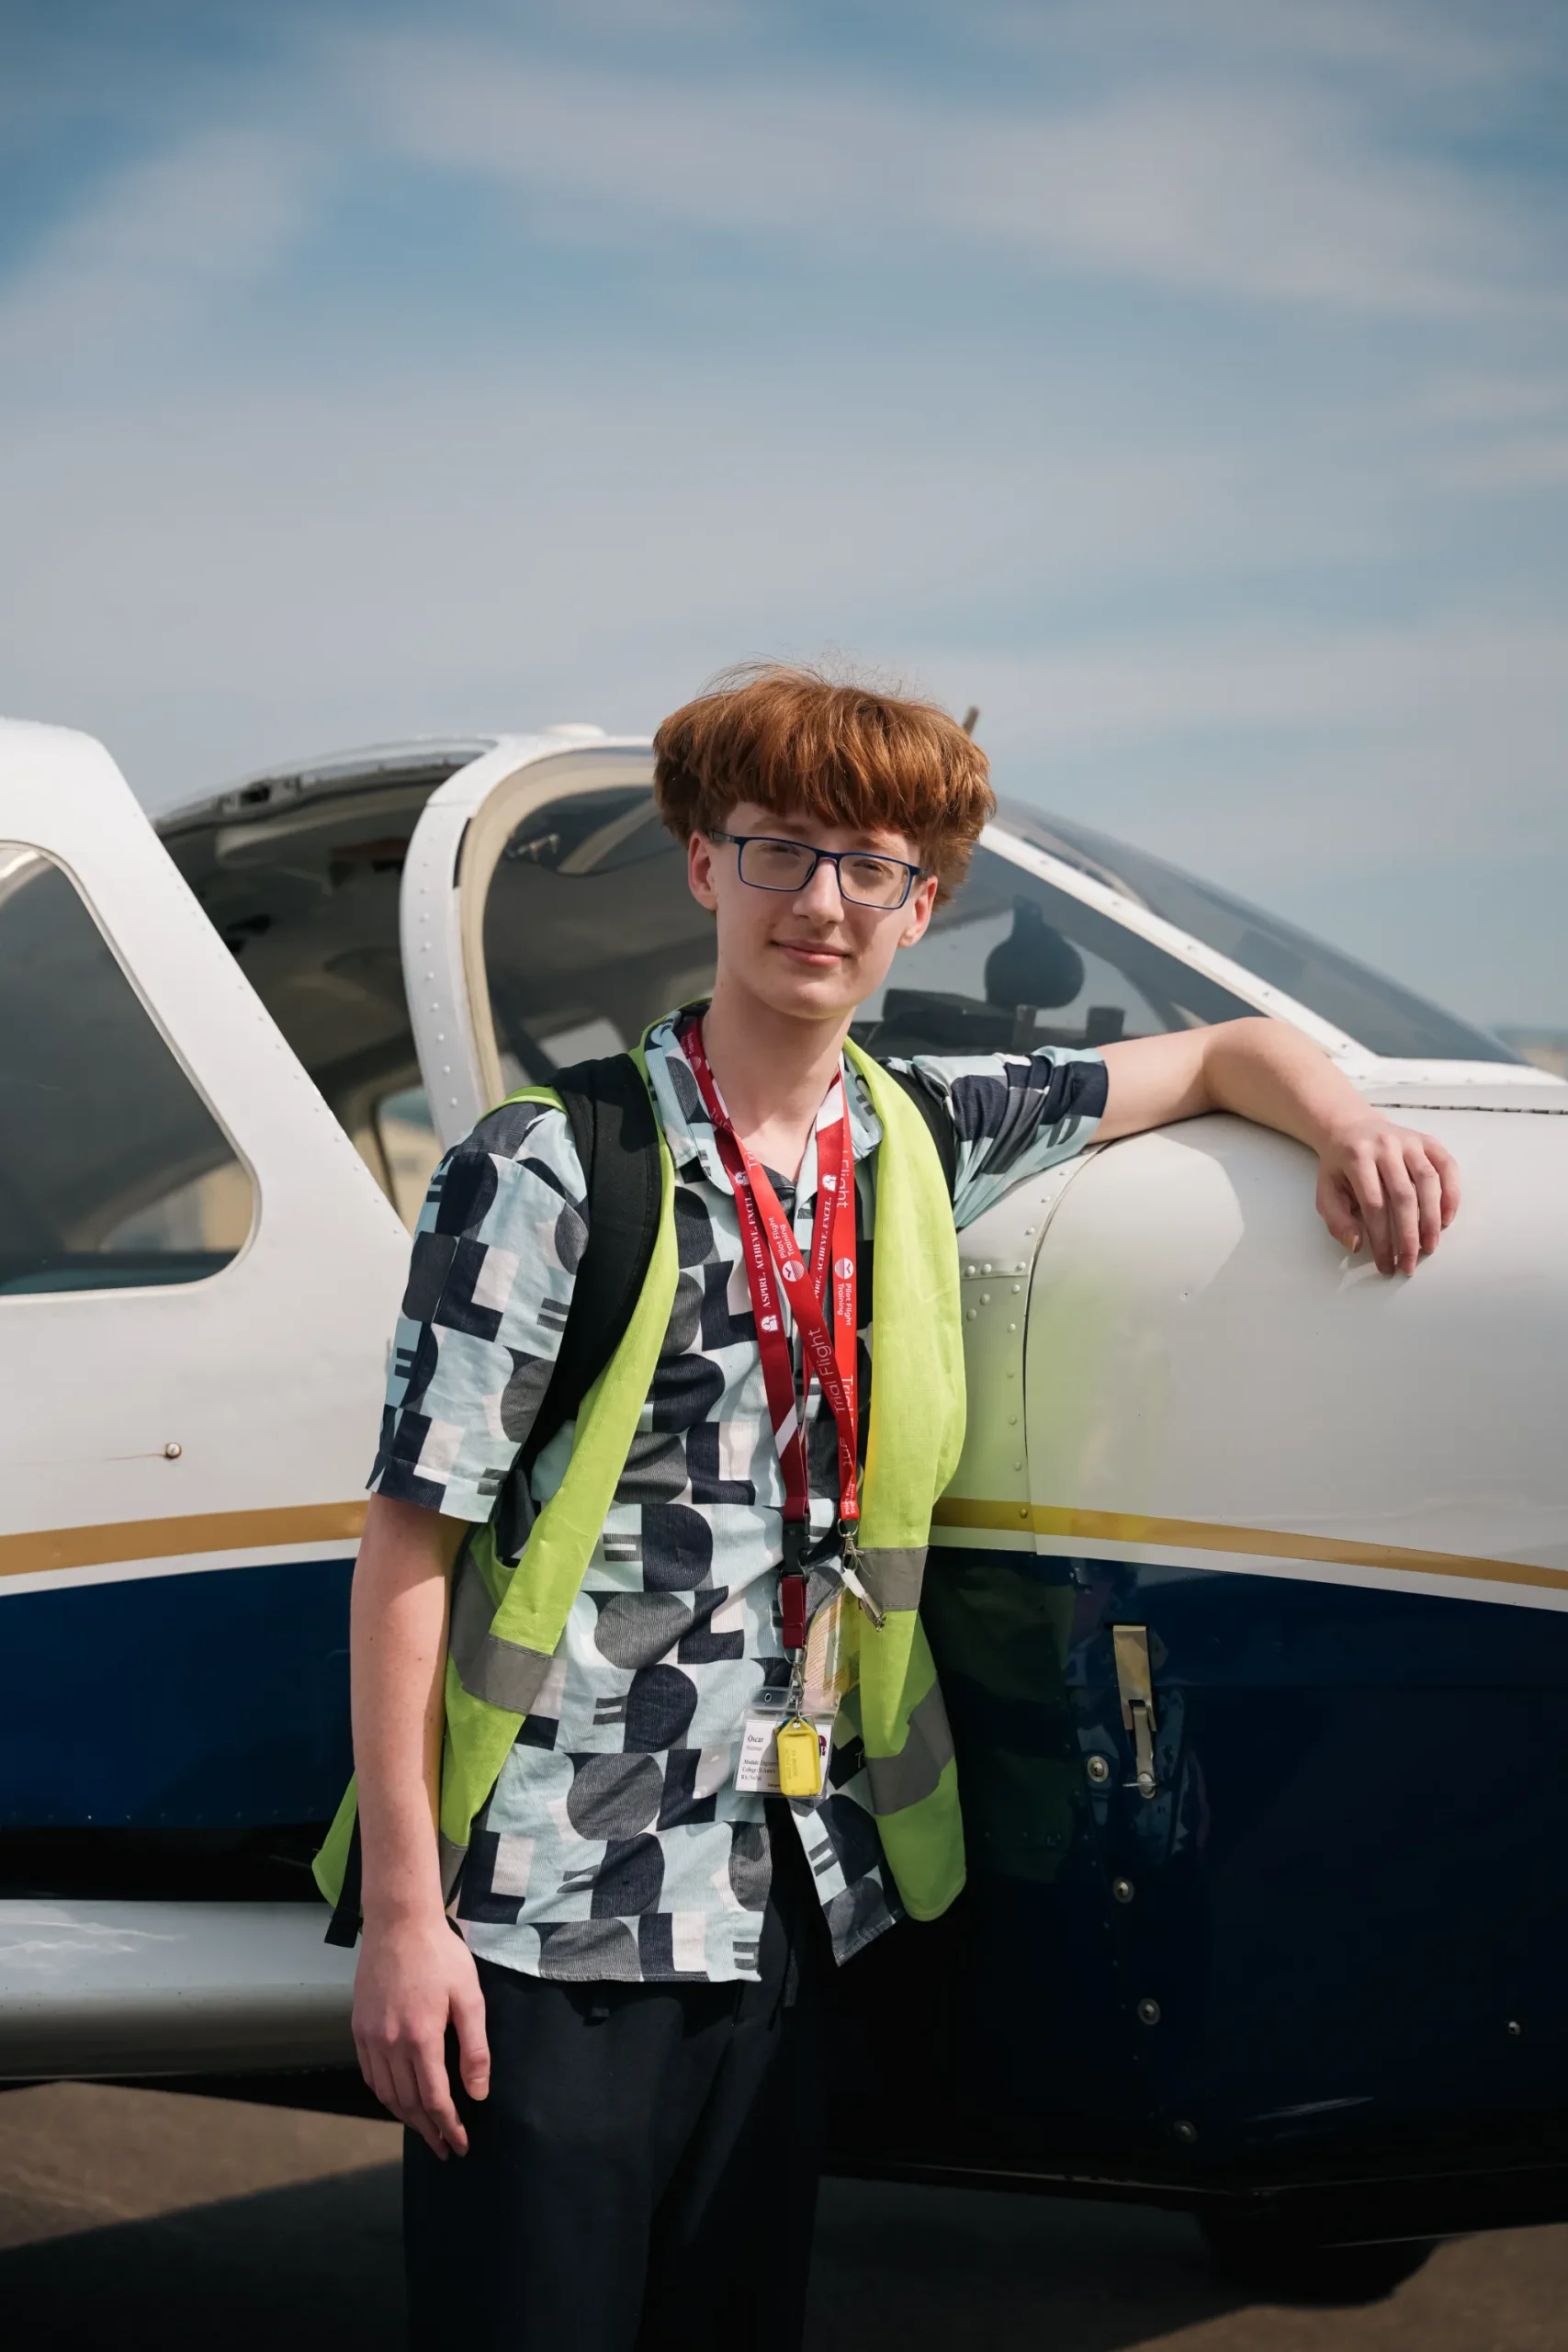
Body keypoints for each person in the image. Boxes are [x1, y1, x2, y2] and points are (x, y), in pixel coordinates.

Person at [342, 667, 1460, 2350]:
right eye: (779, 850)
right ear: (704, 865)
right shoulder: (549, 1165)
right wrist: (407, 1924)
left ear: (920, 907)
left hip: (786, 1894)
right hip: (553, 1907)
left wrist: (1348, 1125)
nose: (822, 901)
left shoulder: (921, 1137)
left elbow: (1227, 1052)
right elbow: (407, 1546)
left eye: (871, 867)